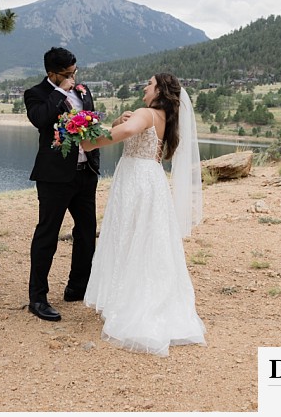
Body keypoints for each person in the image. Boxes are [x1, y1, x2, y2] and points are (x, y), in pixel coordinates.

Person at [81, 72, 206, 355]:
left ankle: (128, 302)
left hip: (135, 180)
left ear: (159, 90)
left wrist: (89, 142)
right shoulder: (163, 118)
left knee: (128, 235)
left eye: (149, 84)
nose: (145, 87)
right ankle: (142, 295)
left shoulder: (146, 113)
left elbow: (125, 134)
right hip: (152, 179)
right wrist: (113, 123)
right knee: (149, 239)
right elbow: (125, 128)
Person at [23, 47, 100, 322]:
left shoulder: (83, 91)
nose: (73, 77)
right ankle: (38, 298)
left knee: (86, 232)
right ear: (51, 74)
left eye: (75, 72)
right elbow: (40, 119)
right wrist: (59, 92)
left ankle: (77, 288)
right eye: (67, 74)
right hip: (54, 177)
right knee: (47, 234)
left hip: (85, 172)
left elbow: (91, 125)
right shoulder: (36, 94)